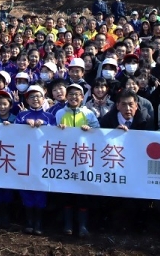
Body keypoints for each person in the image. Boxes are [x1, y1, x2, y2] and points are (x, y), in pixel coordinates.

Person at [55, 83, 99, 236]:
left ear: (82, 97)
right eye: (71, 94)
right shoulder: (60, 113)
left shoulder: (89, 114)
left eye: (77, 94)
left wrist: (90, 130)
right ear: (66, 97)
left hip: (84, 159)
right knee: (67, 193)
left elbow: (98, 133)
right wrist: (58, 129)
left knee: (83, 194)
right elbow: (52, 134)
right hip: (65, 159)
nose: (74, 97)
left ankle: (82, 226)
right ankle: (67, 225)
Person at [15, 85, 56, 235]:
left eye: (38, 96)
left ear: (44, 98)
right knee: (26, 189)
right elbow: (13, 134)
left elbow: (57, 136)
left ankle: (39, 223)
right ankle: (29, 222)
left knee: (40, 189)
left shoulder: (50, 117)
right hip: (24, 159)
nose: (35, 99)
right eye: (32, 97)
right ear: (27, 100)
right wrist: (23, 126)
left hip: (43, 159)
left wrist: (45, 126)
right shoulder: (22, 116)